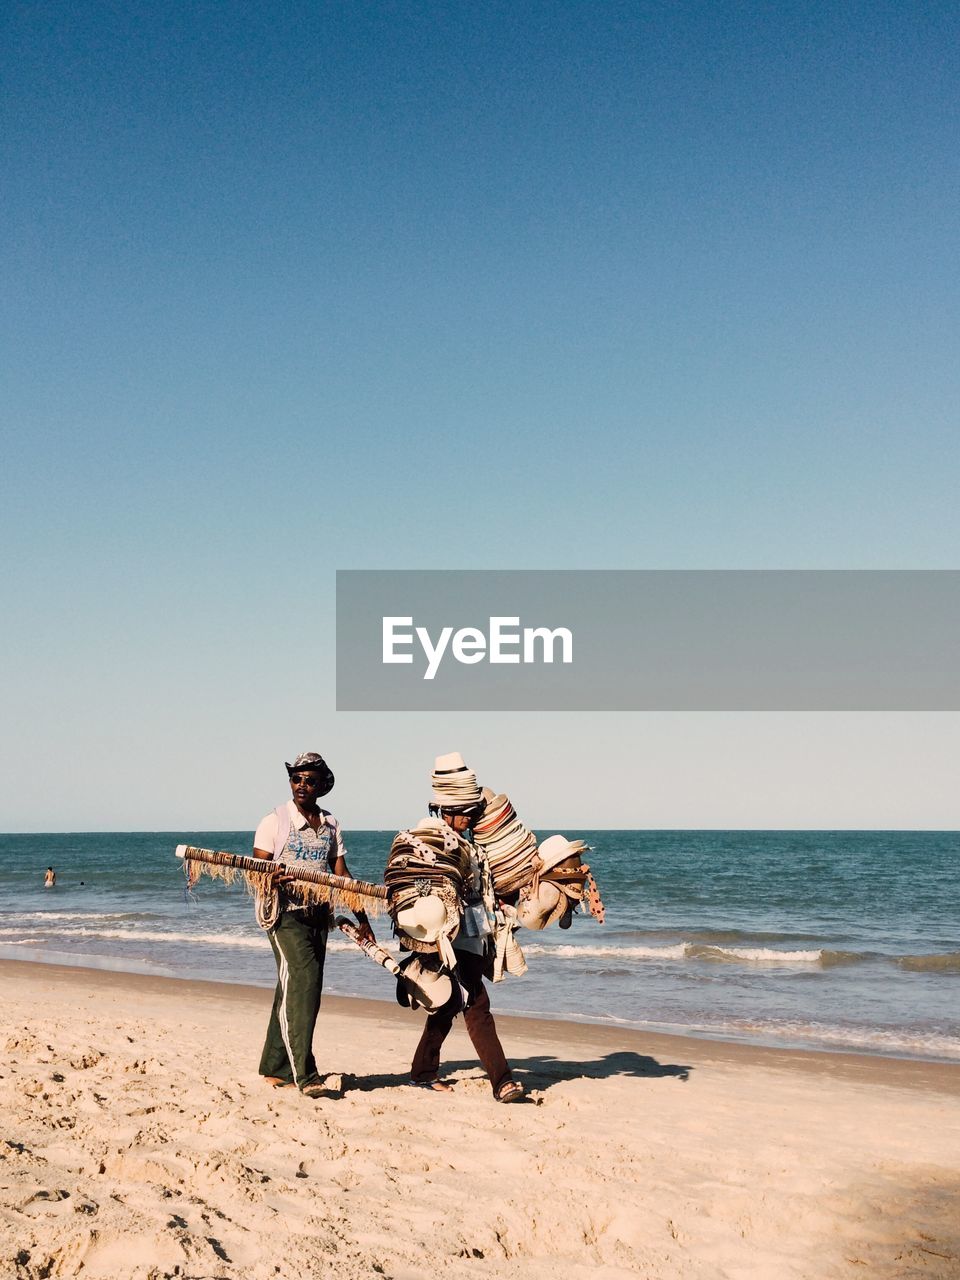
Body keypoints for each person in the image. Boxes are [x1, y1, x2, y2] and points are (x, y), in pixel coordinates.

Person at [253, 751, 373, 1099]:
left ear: (322, 786)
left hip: (319, 918)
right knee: (304, 984)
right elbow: (256, 872)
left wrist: (362, 918)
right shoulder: (274, 821)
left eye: (309, 781)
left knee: (293, 989)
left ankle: (274, 1068)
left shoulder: (332, 825)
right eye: (296, 779)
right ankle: (305, 1075)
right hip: (284, 916)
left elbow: (341, 876)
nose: (301, 785)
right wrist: (270, 877)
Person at [408, 752, 523, 1103]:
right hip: (445, 939)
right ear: (446, 810)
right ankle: (502, 1081)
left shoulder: (471, 844)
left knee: (448, 1005)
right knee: (476, 1004)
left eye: (472, 812)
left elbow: (478, 889)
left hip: (472, 938)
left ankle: (422, 1072)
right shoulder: (431, 839)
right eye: (464, 812)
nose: (468, 818)